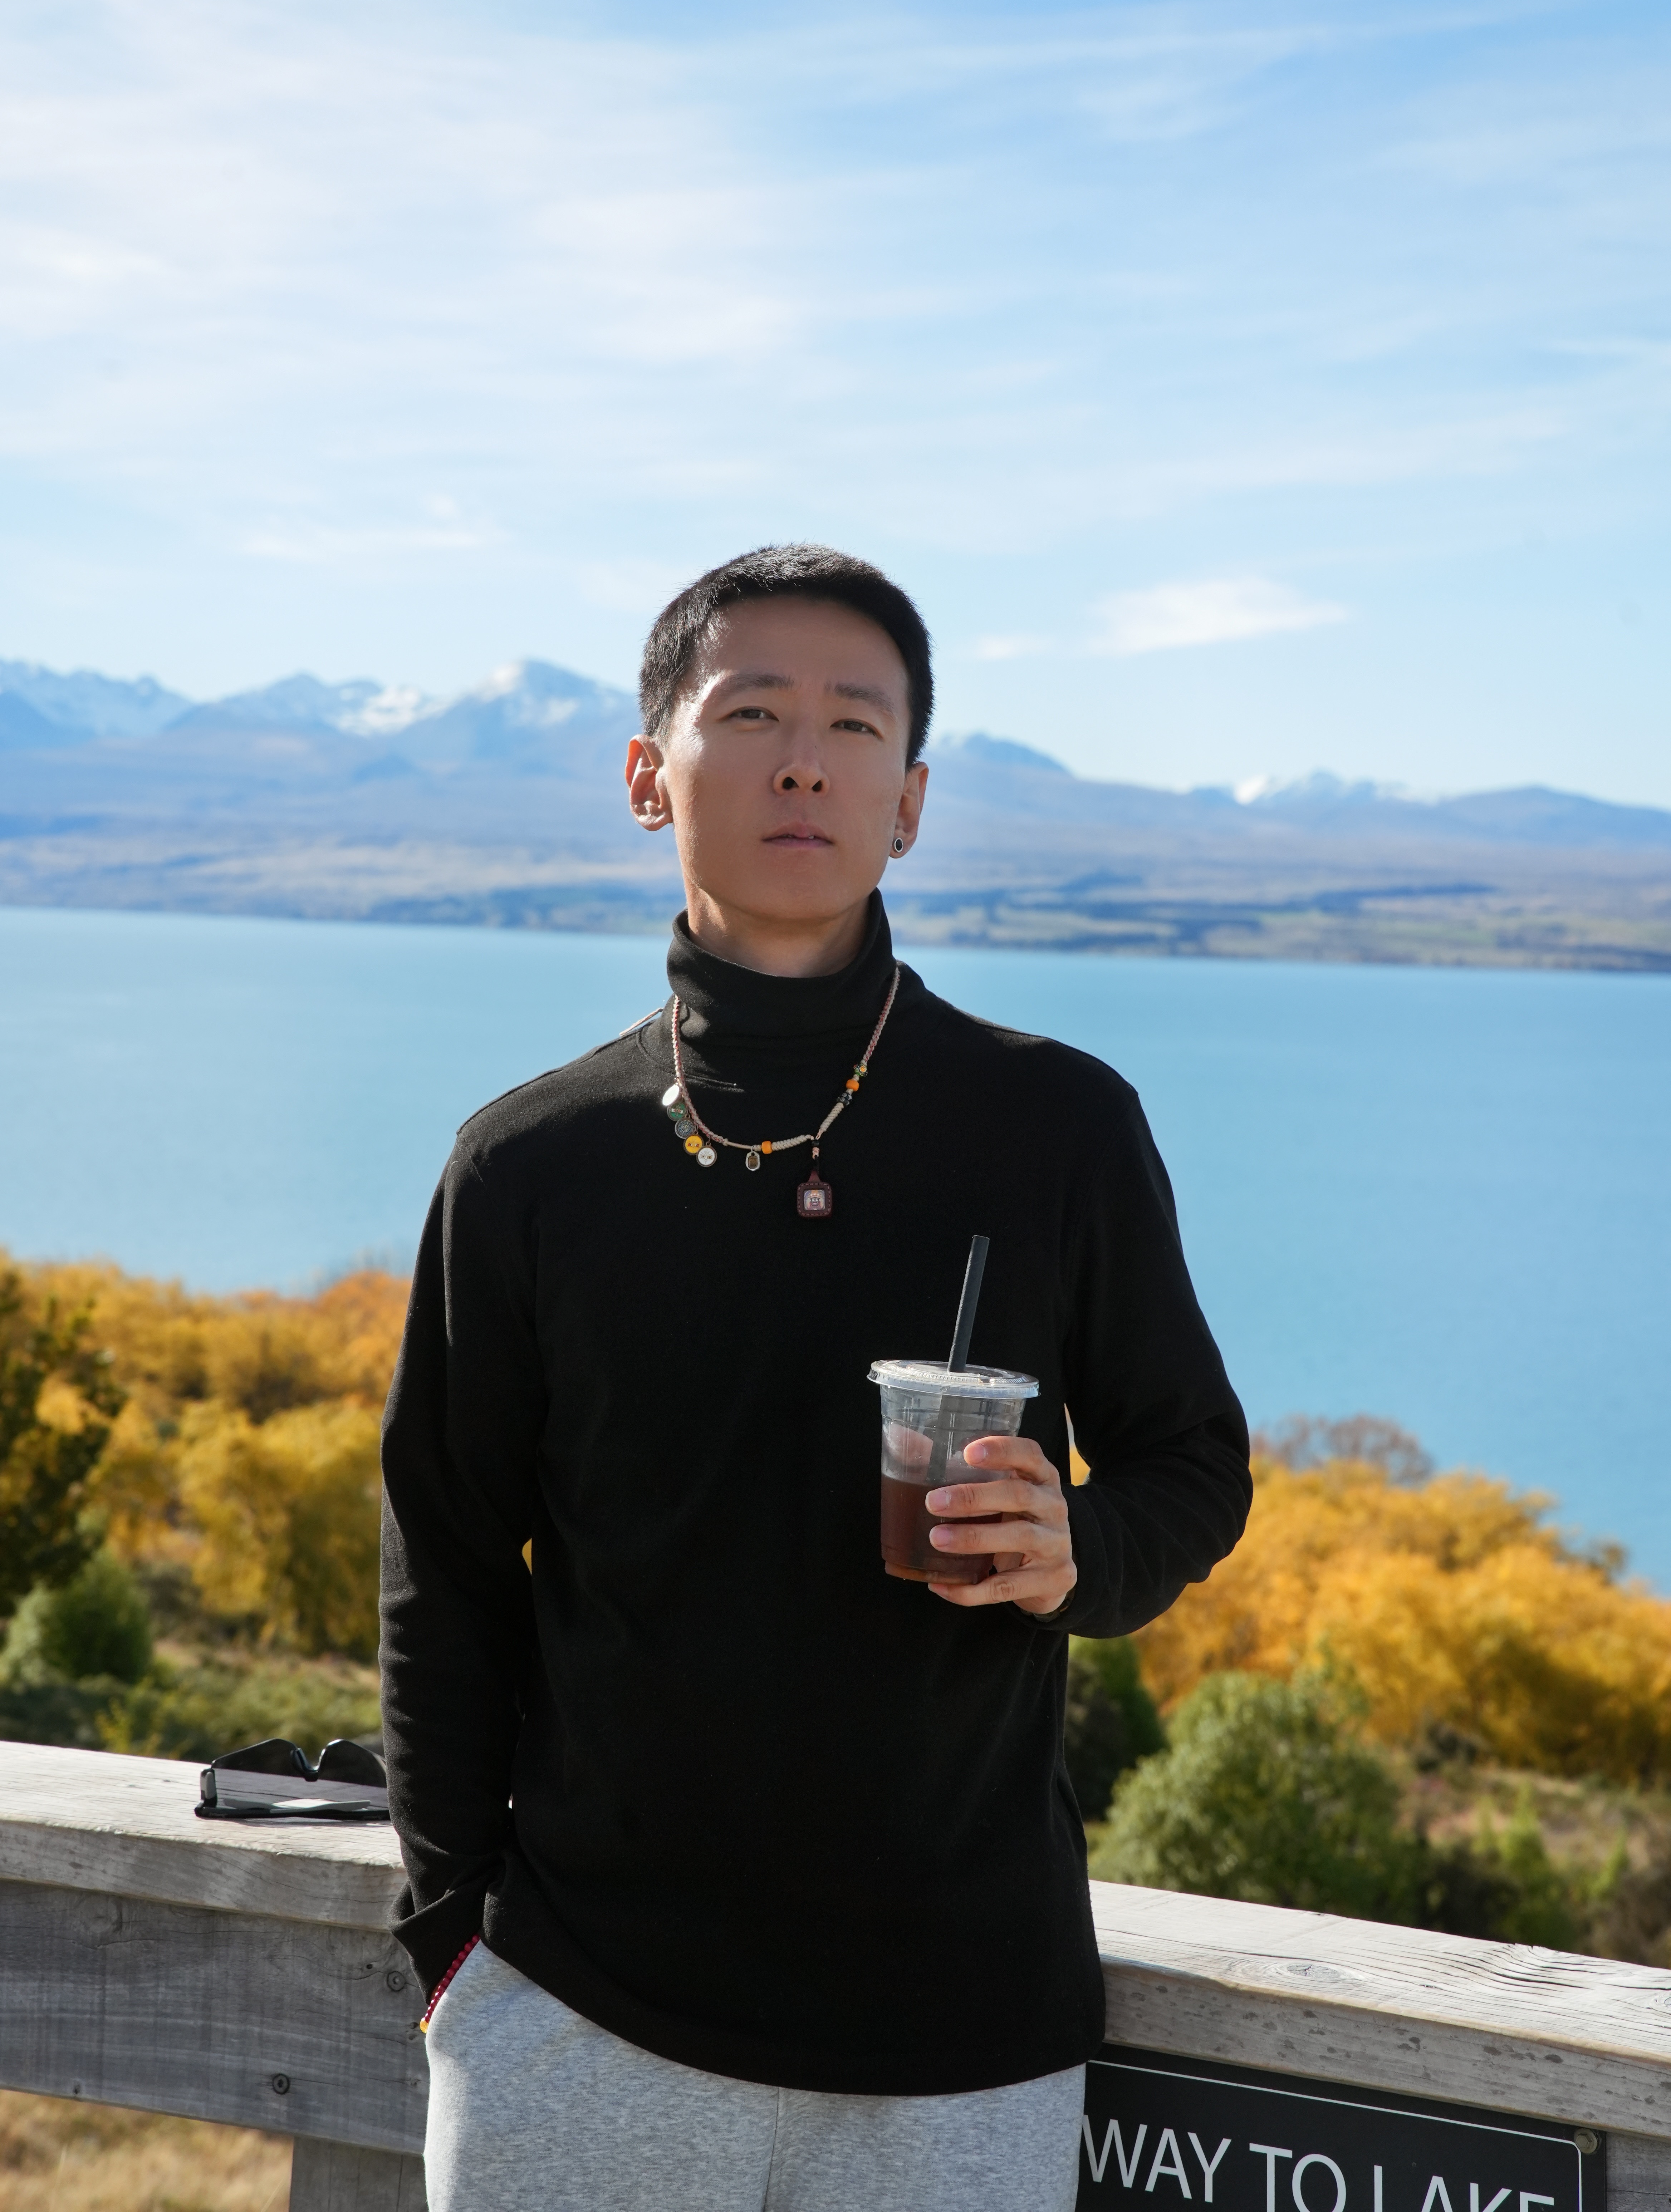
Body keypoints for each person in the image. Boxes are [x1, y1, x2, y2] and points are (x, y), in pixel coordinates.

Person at [379, 544, 1251, 2212]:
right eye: (752, 712)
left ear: (908, 804)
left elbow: (1191, 1463)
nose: (804, 761)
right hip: (578, 2021)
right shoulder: (528, 1165)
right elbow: (446, 1567)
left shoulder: (1055, 1126)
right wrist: (455, 1952)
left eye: (856, 725)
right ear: (649, 773)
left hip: (963, 2037)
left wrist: (1079, 1546)